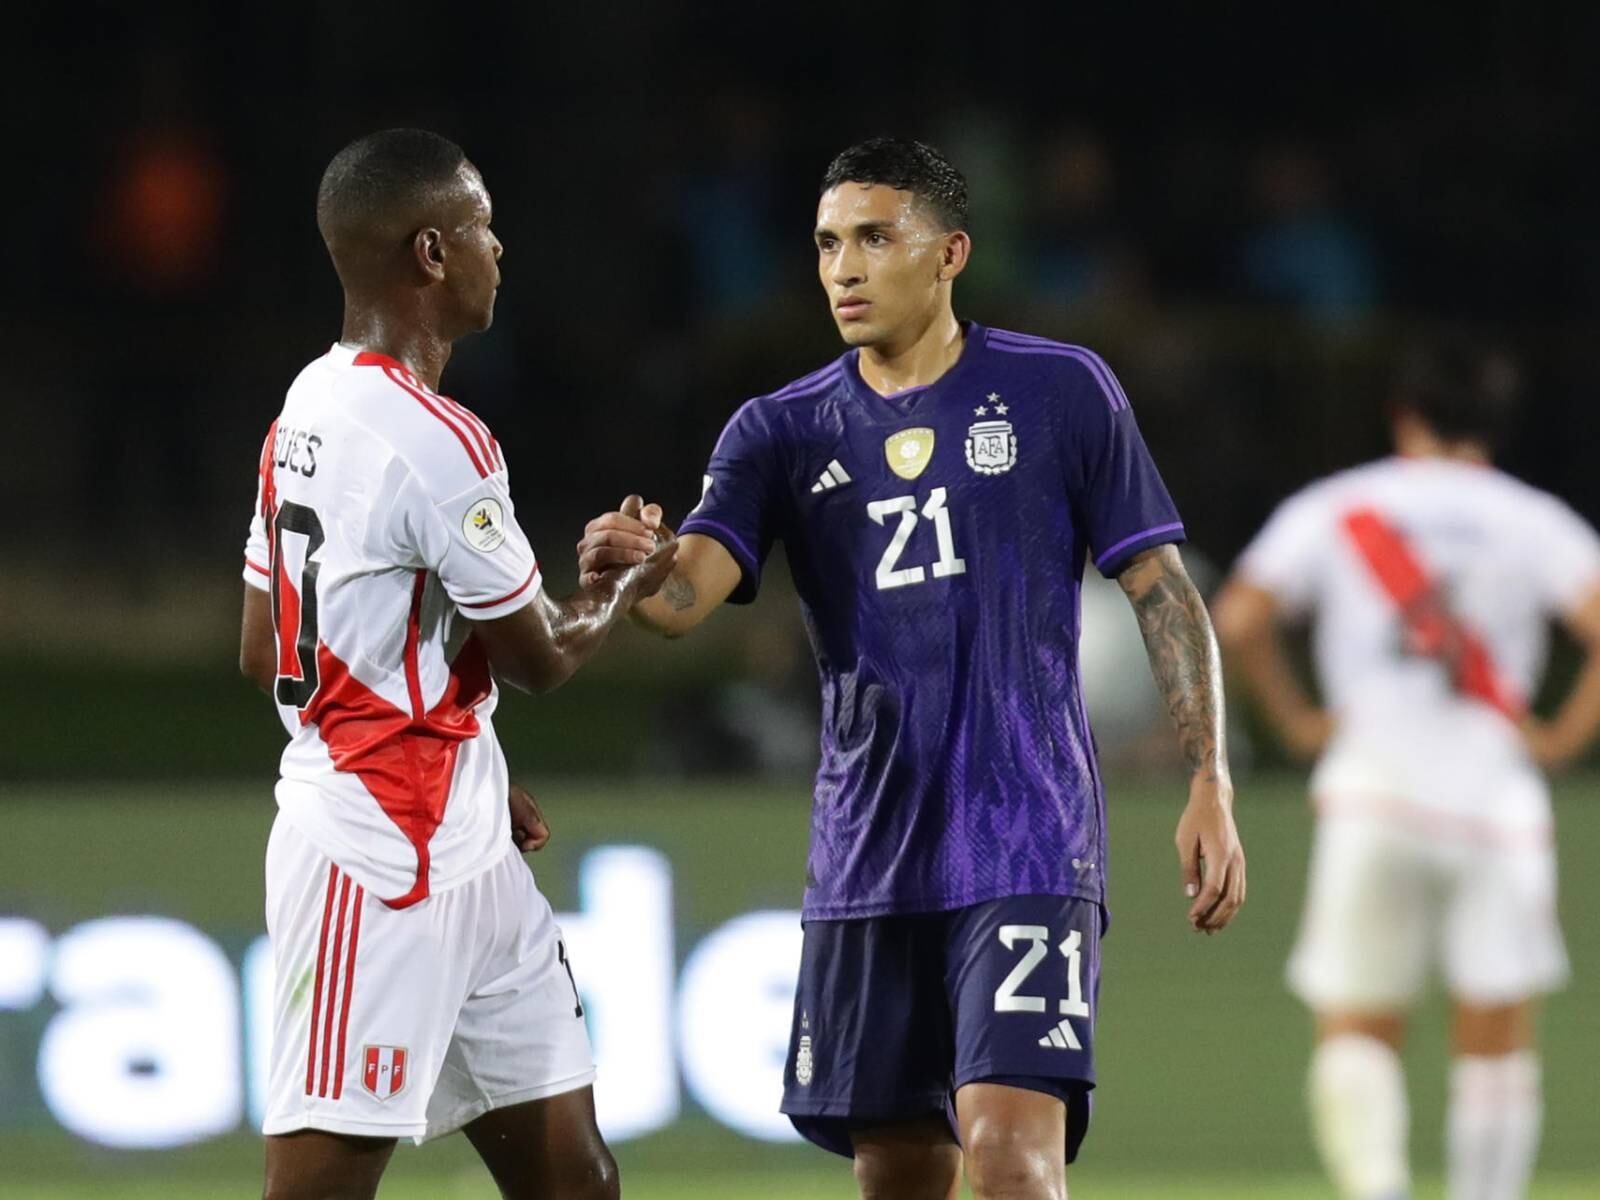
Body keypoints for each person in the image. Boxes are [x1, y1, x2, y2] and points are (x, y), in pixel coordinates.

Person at [577, 136, 1245, 1200]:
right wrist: (630, 565)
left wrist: (1208, 776)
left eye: (874, 238)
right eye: (827, 244)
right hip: (869, 851)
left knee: (1014, 1162)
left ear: (949, 254)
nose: (843, 266)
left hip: (1024, 832)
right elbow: (680, 599)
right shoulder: (779, 430)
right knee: (897, 1176)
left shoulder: (1060, 391)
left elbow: (1160, 588)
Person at [237, 128, 674, 1200]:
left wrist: (460, 747)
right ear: (432, 253)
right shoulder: (439, 440)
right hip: (378, 864)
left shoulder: (307, 405)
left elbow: (264, 650)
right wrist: (622, 576)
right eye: (481, 226)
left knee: (577, 1182)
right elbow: (545, 659)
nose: (500, 247)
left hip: (464, 848)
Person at [1213, 342, 1600, 1200]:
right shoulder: (1533, 519)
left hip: (1372, 793)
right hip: (1496, 803)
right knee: (1495, 1035)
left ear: (1403, 413)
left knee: (1357, 1024)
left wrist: (1299, 724)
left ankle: (1379, 1189)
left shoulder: (1341, 506)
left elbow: (1238, 620)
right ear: (1498, 423)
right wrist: (1560, 741)